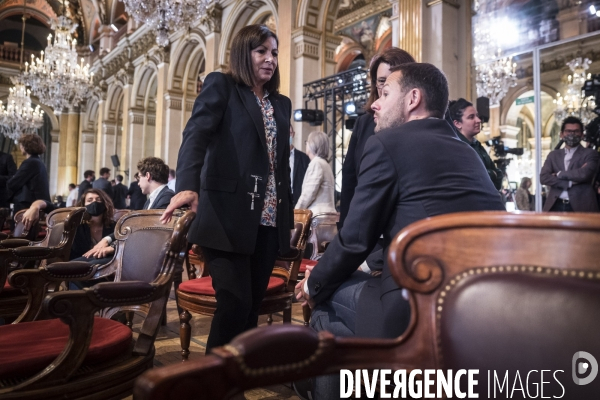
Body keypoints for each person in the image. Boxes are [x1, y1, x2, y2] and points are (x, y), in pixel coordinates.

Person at [294, 62, 505, 399]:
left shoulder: (388, 143)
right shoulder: (467, 151)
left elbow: (354, 239)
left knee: (322, 305)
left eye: (385, 93)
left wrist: (313, 283)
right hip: (481, 310)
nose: (375, 103)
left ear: (413, 99)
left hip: (417, 310)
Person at [161, 24, 293, 351]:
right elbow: (196, 134)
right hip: (225, 215)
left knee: (250, 310)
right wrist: (188, 185)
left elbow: (280, 166)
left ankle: (235, 380)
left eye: (274, 52)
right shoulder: (222, 86)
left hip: (268, 220)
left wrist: (286, 219)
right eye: (261, 51)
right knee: (233, 305)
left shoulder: (281, 104)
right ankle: (211, 382)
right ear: (243, 53)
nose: (270, 59)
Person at [339, 48, 415, 228]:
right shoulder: (364, 124)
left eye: (393, 80)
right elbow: (350, 180)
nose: (386, 88)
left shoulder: (418, 121)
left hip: (406, 227)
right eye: (381, 81)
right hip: (366, 228)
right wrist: (344, 228)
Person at [84, 157, 175, 260]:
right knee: (84, 260)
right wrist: (107, 239)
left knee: (85, 263)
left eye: (139, 177)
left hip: (144, 258)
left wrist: (113, 248)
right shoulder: (152, 200)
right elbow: (136, 226)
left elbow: (150, 234)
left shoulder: (166, 198)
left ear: (148, 176)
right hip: (136, 253)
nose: (138, 183)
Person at [22, 189, 116, 260]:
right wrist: (34, 207)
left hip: (104, 266)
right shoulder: (75, 222)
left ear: (105, 203)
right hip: (78, 266)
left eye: (98, 200)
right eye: (90, 200)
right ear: (83, 205)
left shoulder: (113, 226)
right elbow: (49, 206)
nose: (94, 202)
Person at [540, 116, 599, 212]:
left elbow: (584, 174)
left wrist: (559, 174)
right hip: (555, 205)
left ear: (582, 135)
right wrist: (569, 182)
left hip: (581, 206)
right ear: (561, 134)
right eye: (568, 131)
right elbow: (543, 177)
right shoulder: (553, 155)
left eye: (576, 131)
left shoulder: (590, 153)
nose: (572, 134)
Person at [449, 98, 503, 190]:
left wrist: (490, 174)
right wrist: (492, 174)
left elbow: (499, 176)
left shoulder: (477, 145)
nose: (478, 120)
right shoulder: (455, 147)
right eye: (471, 117)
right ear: (457, 123)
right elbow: (471, 180)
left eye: (477, 116)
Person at [7, 133, 51, 213]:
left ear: (26, 146)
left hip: (27, 206)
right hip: (32, 205)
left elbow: (13, 183)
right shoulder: (38, 162)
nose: (20, 147)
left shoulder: (30, 162)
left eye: (21, 145)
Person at [295, 131, 336, 214]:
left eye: (307, 142)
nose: (306, 144)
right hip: (326, 215)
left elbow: (309, 194)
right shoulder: (325, 164)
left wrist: (296, 212)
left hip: (318, 217)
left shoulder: (316, 163)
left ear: (313, 145)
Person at [290, 125, 310, 206]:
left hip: (298, 200)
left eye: (290, 133)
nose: (288, 136)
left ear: (293, 134)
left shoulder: (304, 158)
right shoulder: (277, 157)